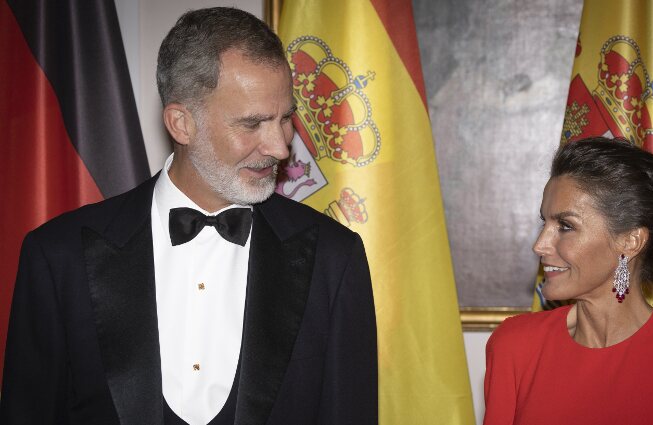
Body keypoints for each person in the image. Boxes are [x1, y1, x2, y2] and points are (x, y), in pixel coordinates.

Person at [0, 7, 377, 425]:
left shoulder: (334, 258)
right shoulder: (58, 257)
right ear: (181, 123)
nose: (280, 147)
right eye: (252, 123)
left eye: (285, 118)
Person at [483, 137, 653, 424]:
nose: (540, 244)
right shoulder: (513, 345)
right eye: (545, 223)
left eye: (565, 226)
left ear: (630, 242)